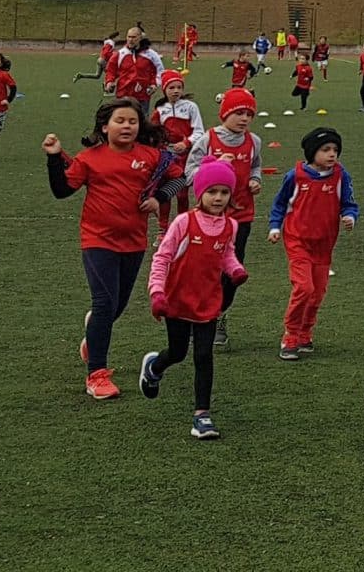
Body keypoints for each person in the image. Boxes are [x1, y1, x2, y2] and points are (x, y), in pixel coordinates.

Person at [45, 99, 171, 399]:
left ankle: (93, 336)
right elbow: (62, 191)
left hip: (134, 242)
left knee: (116, 307)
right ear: (105, 127)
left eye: (132, 121)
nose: (127, 126)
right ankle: (96, 375)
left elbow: (179, 178)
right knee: (104, 303)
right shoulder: (89, 159)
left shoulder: (152, 157)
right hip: (97, 240)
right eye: (120, 121)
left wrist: (160, 198)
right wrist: (53, 158)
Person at [140, 159, 250, 440]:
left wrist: (235, 269)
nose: (218, 198)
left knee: (204, 355)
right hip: (177, 299)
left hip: (207, 301)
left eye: (224, 192)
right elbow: (162, 257)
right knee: (177, 353)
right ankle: (154, 367)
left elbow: (225, 254)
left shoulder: (231, 226)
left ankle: (202, 415)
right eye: (212, 191)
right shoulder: (184, 222)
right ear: (200, 193)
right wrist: (157, 293)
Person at [269, 125, 359, 359]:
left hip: (324, 243)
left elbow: (349, 203)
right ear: (312, 153)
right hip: (297, 239)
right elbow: (280, 204)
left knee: (317, 292)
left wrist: (349, 216)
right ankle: (290, 334)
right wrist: (274, 227)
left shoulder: (341, 175)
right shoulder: (295, 176)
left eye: (335, 150)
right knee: (304, 287)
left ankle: (306, 331)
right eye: (326, 149)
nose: (332, 154)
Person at [188, 88, 264, 346]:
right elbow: (189, 174)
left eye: (248, 114)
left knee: (233, 271)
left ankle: (219, 313)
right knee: (204, 268)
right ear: (225, 114)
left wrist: (255, 179)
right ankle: (196, 315)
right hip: (208, 217)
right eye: (238, 113)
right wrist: (215, 165)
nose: (244, 119)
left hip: (241, 216)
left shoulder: (254, 141)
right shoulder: (207, 140)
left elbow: (255, 165)